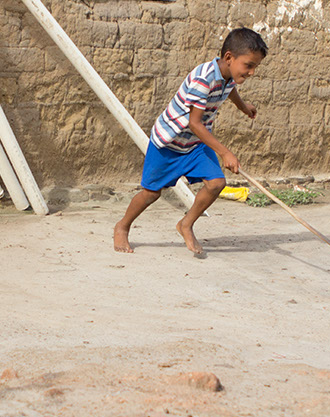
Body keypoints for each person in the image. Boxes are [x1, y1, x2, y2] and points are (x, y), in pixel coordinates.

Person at [114, 27, 267, 256]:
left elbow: (229, 90)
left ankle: (186, 224)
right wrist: (225, 153)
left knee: (216, 183)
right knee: (151, 193)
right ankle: (123, 226)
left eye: (255, 66)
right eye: (249, 65)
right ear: (229, 57)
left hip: (195, 144)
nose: (252, 72)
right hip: (169, 143)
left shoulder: (228, 75)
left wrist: (243, 107)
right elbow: (194, 123)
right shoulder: (203, 78)